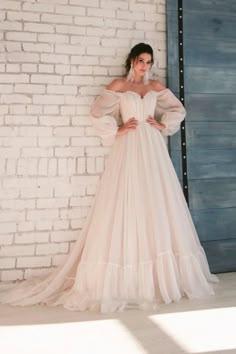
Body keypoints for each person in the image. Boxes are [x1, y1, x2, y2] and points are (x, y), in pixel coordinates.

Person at [0, 43, 218, 313]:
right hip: (128, 147)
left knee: (156, 200)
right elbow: (96, 112)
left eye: (149, 62)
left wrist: (162, 125)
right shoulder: (118, 86)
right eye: (141, 61)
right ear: (131, 61)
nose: (145, 66)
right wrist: (118, 129)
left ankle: (161, 278)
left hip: (152, 147)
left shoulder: (155, 87)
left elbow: (178, 110)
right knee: (126, 200)